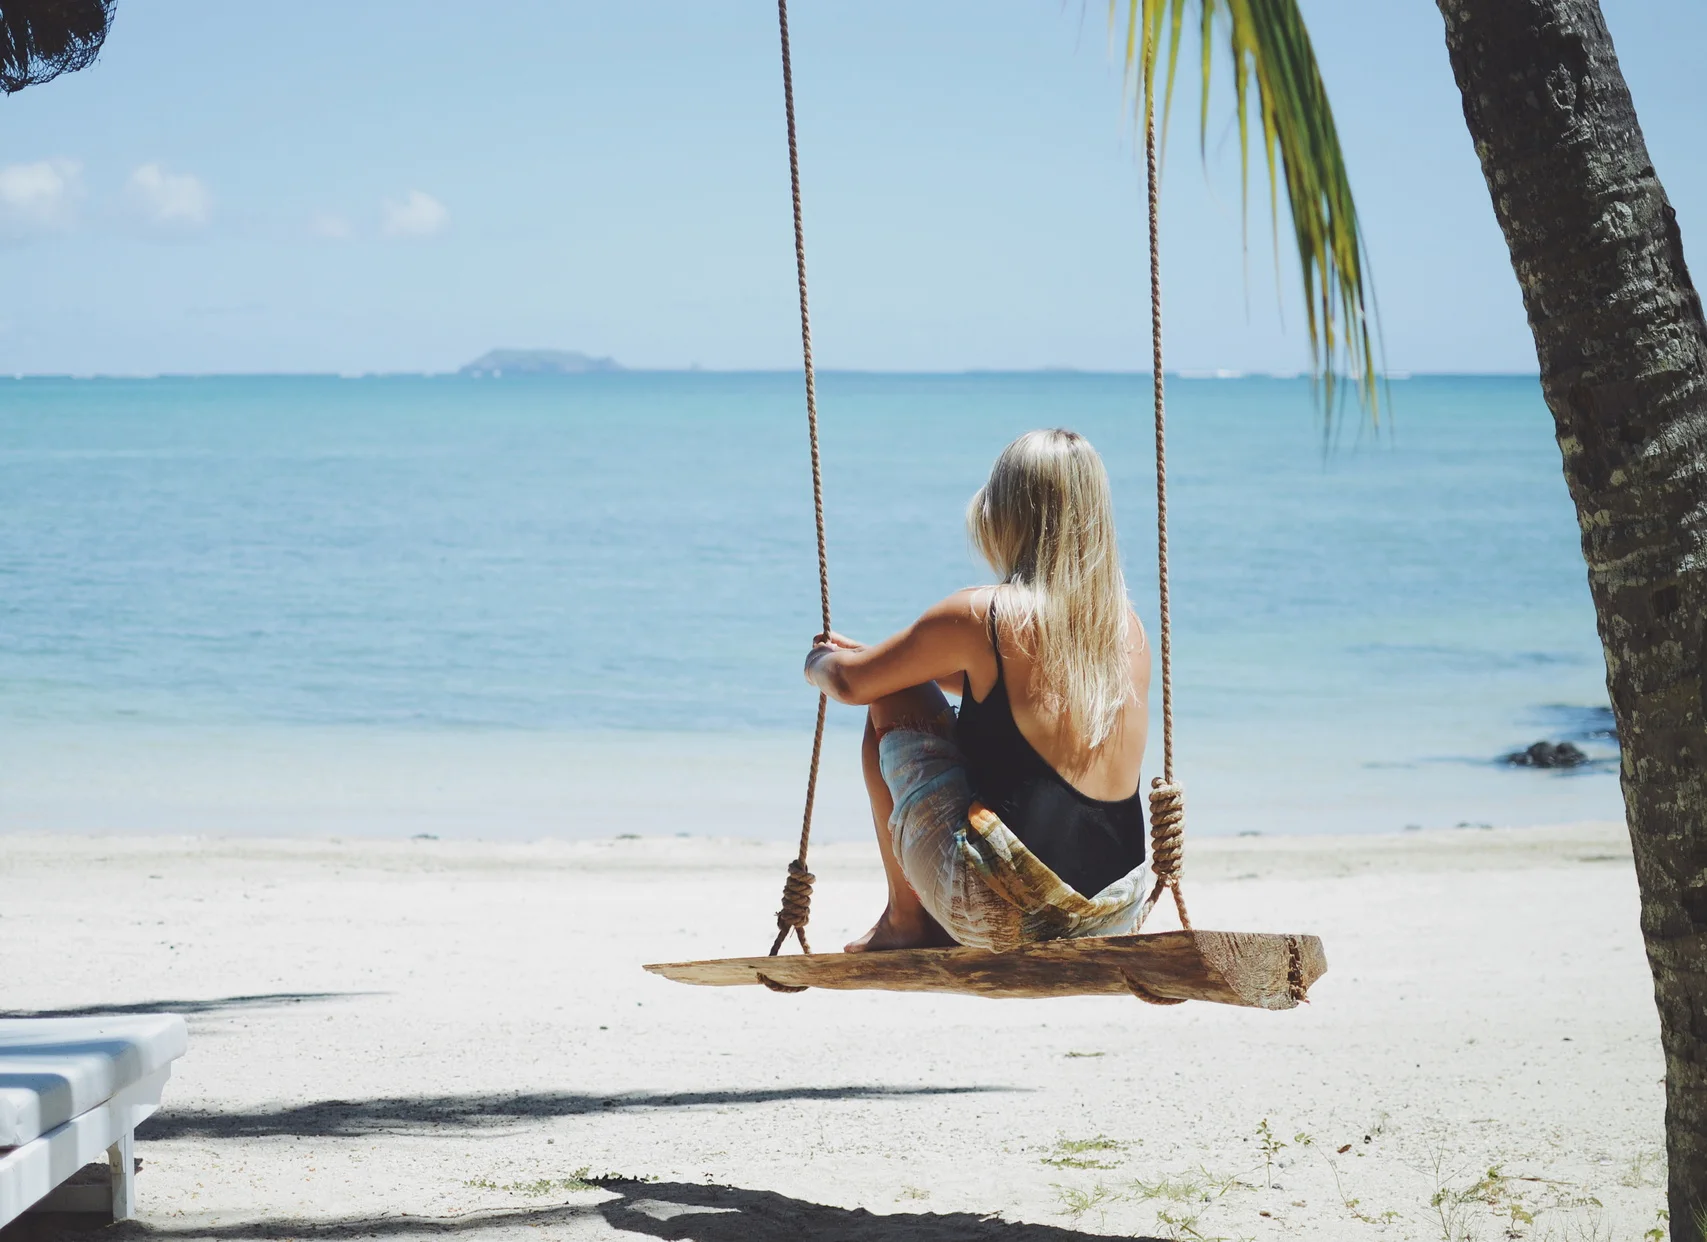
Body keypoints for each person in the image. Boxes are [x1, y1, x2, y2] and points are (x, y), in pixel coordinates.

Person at [804, 428, 1152, 953]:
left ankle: (906, 920)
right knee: (904, 682)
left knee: (891, 696)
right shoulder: (1126, 628)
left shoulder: (983, 614)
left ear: (1005, 514)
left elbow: (852, 684)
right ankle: (913, 917)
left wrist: (821, 662)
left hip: (1007, 914)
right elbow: (1019, 689)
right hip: (1114, 912)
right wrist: (893, 660)